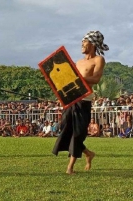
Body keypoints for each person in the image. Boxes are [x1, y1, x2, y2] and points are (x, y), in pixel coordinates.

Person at [52, 30, 109, 174]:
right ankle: (88, 153)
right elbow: (70, 81)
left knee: (77, 133)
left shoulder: (98, 60)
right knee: (65, 129)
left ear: (93, 44)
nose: (82, 44)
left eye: (84, 42)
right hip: (71, 100)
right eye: (82, 42)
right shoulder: (78, 62)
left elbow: (95, 79)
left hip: (84, 101)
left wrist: (76, 77)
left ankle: (70, 167)